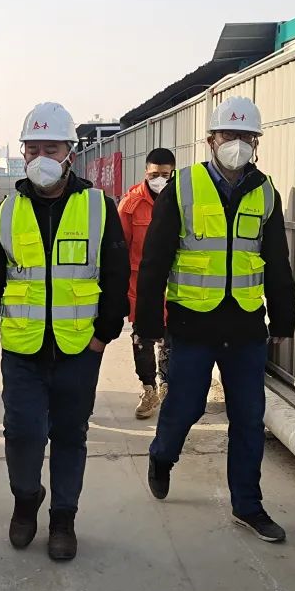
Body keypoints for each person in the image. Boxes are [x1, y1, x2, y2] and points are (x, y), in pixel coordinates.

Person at [0, 102, 130, 562]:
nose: (41, 157)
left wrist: (104, 335)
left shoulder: (98, 207)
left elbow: (116, 275)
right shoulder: (8, 211)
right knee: (21, 433)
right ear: (22, 153)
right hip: (23, 348)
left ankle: (63, 518)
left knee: (70, 435)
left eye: (51, 149)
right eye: (33, 149)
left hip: (79, 348)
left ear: (69, 154)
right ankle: (26, 500)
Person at [135, 96, 295, 543]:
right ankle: (162, 455)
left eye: (246, 136)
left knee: (249, 417)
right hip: (192, 324)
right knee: (185, 407)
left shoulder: (265, 191)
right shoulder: (183, 186)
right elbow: (155, 260)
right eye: (229, 135)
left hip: (245, 325)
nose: (237, 144)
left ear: (256, 142)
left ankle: (248, 505)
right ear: (211, 140)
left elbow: (277, 260)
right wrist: (147, 325)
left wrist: (284, 319)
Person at [118, 147, 176, 419]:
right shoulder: (131, 204)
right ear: (145, 172)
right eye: (154, 175)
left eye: (165, 174)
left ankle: (168, 386)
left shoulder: (182, 199)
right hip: (139, 285)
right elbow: (120, 247)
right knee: (142, 338)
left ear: (173, 172)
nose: (159, 179)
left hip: (174, 283)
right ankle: (149, 388)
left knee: (171, 338)